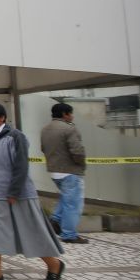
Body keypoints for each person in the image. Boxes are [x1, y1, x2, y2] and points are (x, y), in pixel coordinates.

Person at [0, 103, 65, 280]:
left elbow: (21, 166)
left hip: (18, 195)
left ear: (3, 118)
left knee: (31, 233)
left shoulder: (15, 137)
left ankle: (54, 264)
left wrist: (13, 191)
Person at [41, 103, 88, 244]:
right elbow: (77, 151)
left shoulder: (45, 129)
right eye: (70, 113)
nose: (72, 116)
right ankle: (69, 234)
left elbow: (43, 148)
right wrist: (82, 164)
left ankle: (55, 220)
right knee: (73, 204)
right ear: (65, 114)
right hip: (70, 171)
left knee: (66, 198)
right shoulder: (69, 129)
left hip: (54, 171)